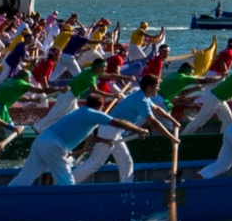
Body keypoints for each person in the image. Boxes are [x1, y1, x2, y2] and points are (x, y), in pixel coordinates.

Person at [9, 92, 149, 187]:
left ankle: (8, 195)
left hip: (41, 140)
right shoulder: (93, 114)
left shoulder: (79, 112)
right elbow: (119, 122)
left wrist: (103, 140)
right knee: (67, 181)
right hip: (53, 145)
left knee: (25, 177)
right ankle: (67, 207)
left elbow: (87, 137)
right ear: (100, 106)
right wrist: (139, 129)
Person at [74, 75, 180, 182]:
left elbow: (156, 109)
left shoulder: (144, 96)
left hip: (114, 130)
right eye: (157, 85)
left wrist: (173, 121)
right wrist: (171, 137)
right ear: (149, 87)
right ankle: (67, 184)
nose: (159, 88)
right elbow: (153, 122)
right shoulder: (141, 99)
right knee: (95, 163)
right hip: (109, 130)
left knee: (126, 162)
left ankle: (127, 186)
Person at [34, 57, 116, 132]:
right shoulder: (90, 76)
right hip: (68, 95)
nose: (106, 68)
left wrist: (123, 77)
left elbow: (109, 75)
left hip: (72, 97)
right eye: (104, 67)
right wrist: (113, 95)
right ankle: (38, 126)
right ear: (98, 67)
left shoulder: (91, 70)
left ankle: (71, 130)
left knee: (74, 114)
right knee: (57, 113)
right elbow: (95, 91)